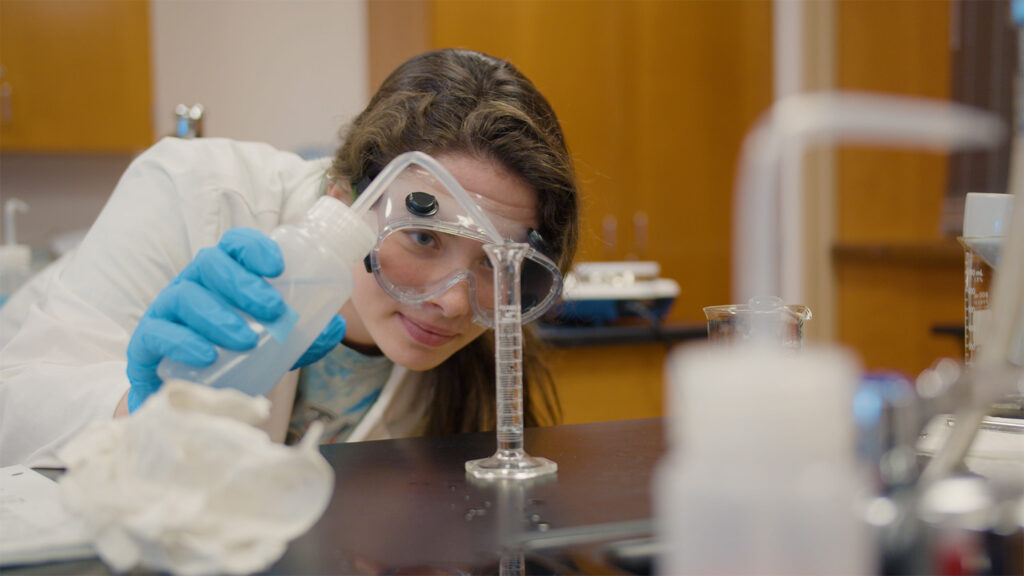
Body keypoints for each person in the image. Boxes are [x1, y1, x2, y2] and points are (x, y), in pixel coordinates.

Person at [0, 49, 580, 467]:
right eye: (423, 238)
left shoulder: (486, 337)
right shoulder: (196, 192)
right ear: (343, 196)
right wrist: (139, 413)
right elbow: (16, 408)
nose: (453, 302)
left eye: (493, 262)